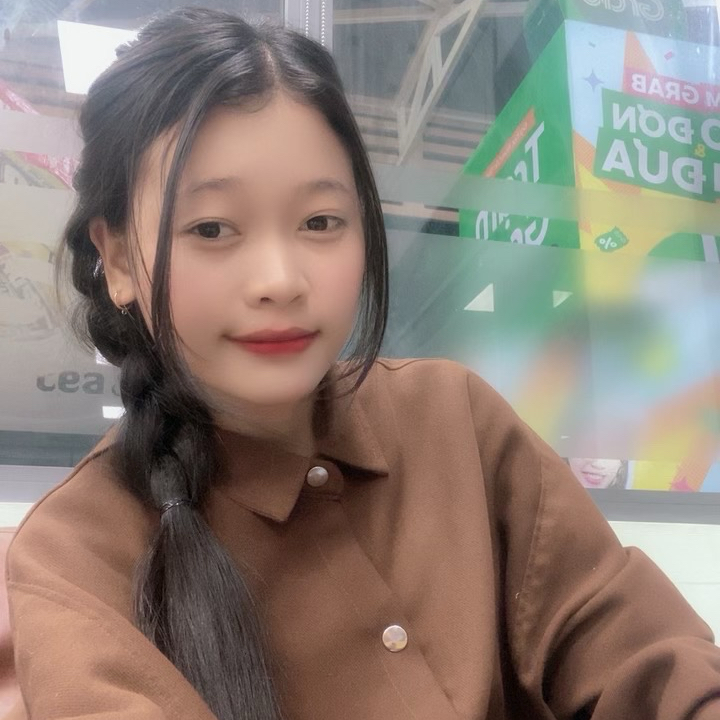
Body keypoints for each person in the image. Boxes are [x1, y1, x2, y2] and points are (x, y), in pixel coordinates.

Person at [3, 7, 720, 720]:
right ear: (119, 260)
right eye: (212, 228)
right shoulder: (74, 554)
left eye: (320, 222)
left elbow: (640, 654)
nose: (281, 280)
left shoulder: (457, 420)